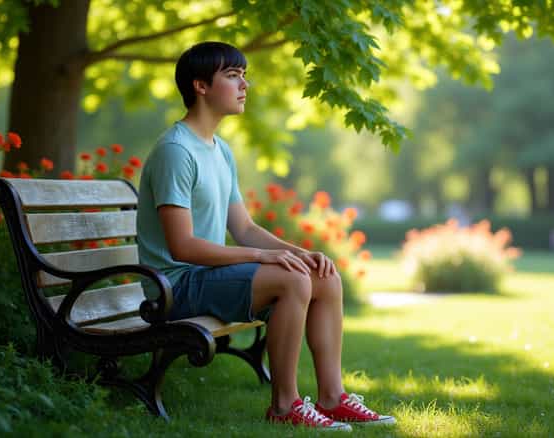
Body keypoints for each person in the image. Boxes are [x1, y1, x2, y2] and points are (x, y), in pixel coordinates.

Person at [136, 42, 395, 431]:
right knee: (291, 281)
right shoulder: (176, 151)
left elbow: (244, 228)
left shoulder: (219, 150)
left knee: (322, 274)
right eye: (233, 75)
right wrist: (261, 257)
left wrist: (303, 253)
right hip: (174, 286)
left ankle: (332, 398)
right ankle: (285, 405)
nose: (245, 84)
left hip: (202, 279)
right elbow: (182, 246)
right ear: (201, 86)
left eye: (244, 75)